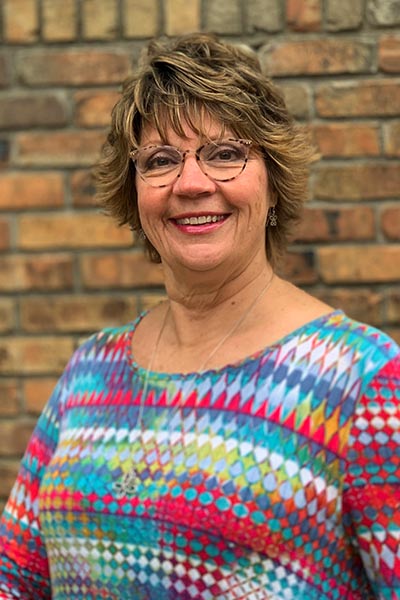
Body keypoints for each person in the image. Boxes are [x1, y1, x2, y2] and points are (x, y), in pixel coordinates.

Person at [0, 32, 399, 600]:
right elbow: (15, 575)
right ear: (135, 194)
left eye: (225, 153)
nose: (191, 183)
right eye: (161, 161)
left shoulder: (364, 383)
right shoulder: (90, 370)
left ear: (273, 181)